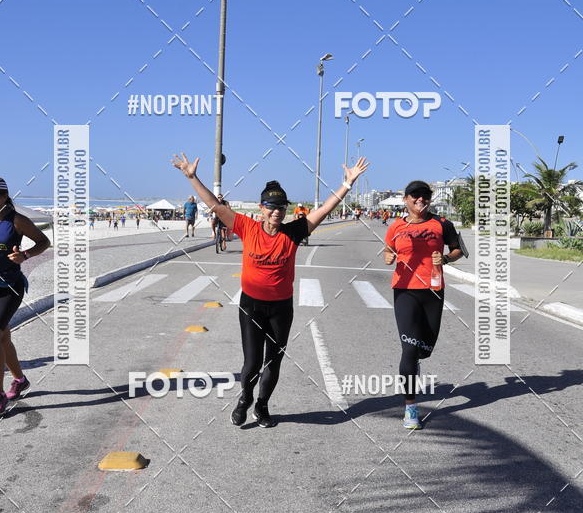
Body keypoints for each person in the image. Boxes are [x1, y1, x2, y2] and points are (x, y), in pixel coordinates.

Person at [173, 153, 368, 428]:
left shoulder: (294, 232)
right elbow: (215, 205)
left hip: (281, 308)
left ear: (286, 210)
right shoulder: (246, 227)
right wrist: (192, 177)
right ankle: (245, 398)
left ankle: (262, 406)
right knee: (252, 363)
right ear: (261, 207)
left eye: (281, 207)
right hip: (251, 306)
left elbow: (323, 210)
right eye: (271, 207)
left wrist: (347, 184)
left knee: (273, 363)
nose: (276, 212)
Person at [383, 180, 463, 431]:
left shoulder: (442, 224)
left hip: (433, 289)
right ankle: (410, 408)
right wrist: (388, 257)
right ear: (405, 199)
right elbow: (388, 250)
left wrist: (447, 258)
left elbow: (459, 250)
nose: (420, 199)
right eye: (415, 196)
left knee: (425, 348)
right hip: (405, 290)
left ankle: (418, 357)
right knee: (408, 347)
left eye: (425, 196)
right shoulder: (396, 226)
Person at [0, 176, 51, 416]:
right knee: (2, 340)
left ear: (4, 196)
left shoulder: (16, 220)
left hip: (10, 287)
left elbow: (44, 241)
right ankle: (20, 380)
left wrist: (26, 255)